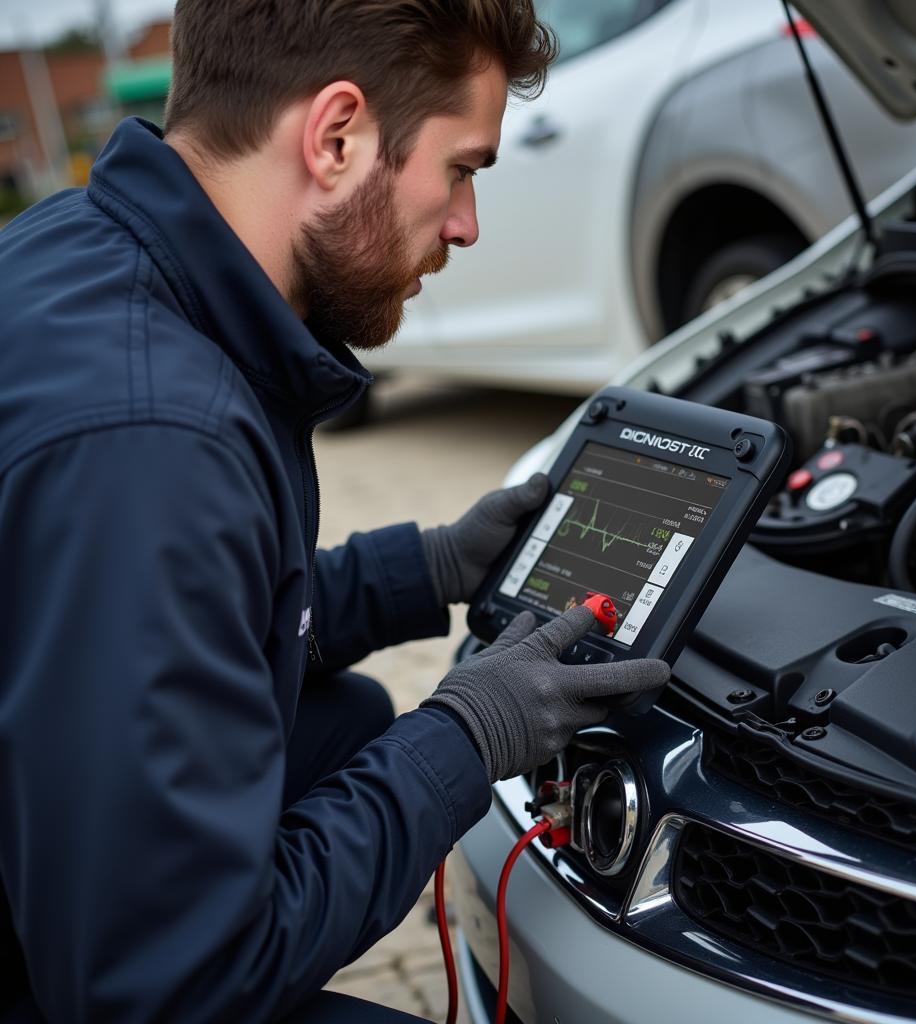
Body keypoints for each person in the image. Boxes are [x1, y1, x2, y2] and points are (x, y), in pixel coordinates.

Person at [0, 2, 670, 1021]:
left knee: (348, 723)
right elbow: (160, 989)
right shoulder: (153, 440)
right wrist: (465, 735)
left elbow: (177, 617)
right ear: (337, 135)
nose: (465, 224)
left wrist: (431, 567)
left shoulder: (85, 252)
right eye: (462, 168)